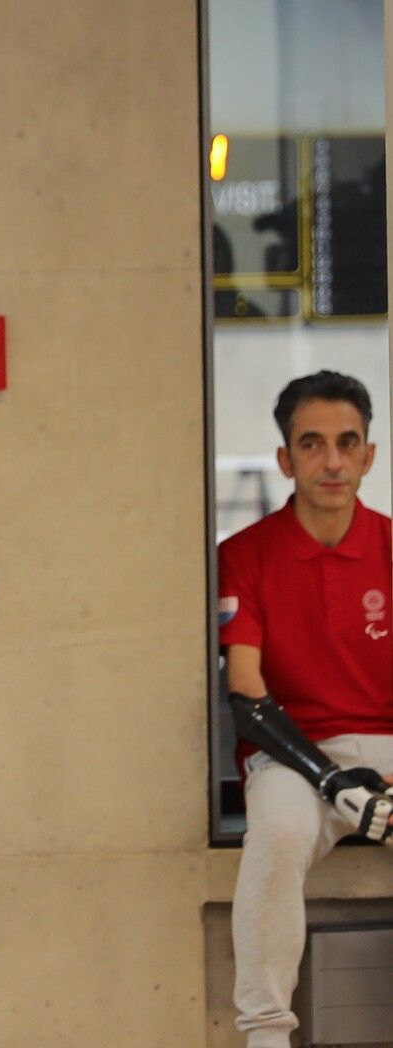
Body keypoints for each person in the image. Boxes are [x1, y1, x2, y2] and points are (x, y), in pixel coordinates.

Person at [221, 371, 392, 1048]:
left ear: (369, 455)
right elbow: (246, 693)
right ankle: (266, 1034)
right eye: (312, 444)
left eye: (348, 443)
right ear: (285, 459)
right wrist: (333, 781)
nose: (333, 461)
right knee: (280, 833)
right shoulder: (242, 556)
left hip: (386, 748)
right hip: (291, 758)